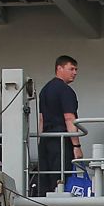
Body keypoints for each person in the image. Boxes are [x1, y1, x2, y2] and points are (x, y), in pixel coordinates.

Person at [37, 55, 81, 193]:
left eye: (76, 69)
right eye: (71, 68)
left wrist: (40, 142)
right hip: (61, 140)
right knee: (62, 177)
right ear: (59, 68)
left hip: (45, 139)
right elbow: (69, 118)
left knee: (46, 179)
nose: (75, 72)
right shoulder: (65, 90)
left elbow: (41, 119)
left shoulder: (45, 90)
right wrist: (76, 146)